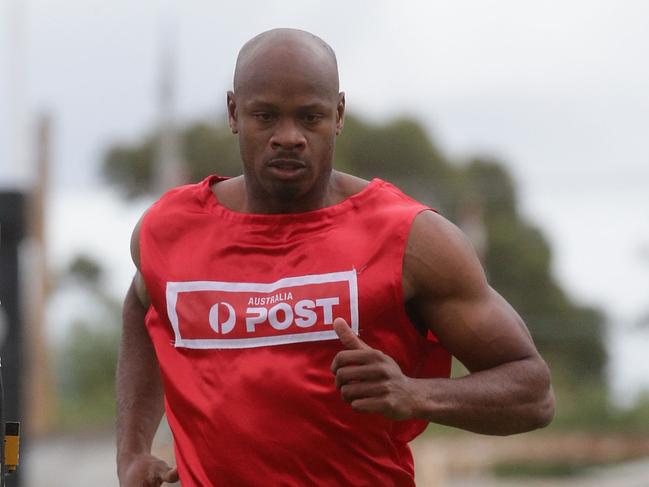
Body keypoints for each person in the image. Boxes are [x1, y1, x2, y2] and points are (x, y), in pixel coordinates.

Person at [116, 28, 554, 486]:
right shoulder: (168, 230)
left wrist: (414, 394)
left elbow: (533, 393)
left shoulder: (410, 239)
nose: (289, 137)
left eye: (310, 117)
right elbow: (141, 306)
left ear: (339, 114)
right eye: (265, 116)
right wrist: (131, 451)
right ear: (233, 112)